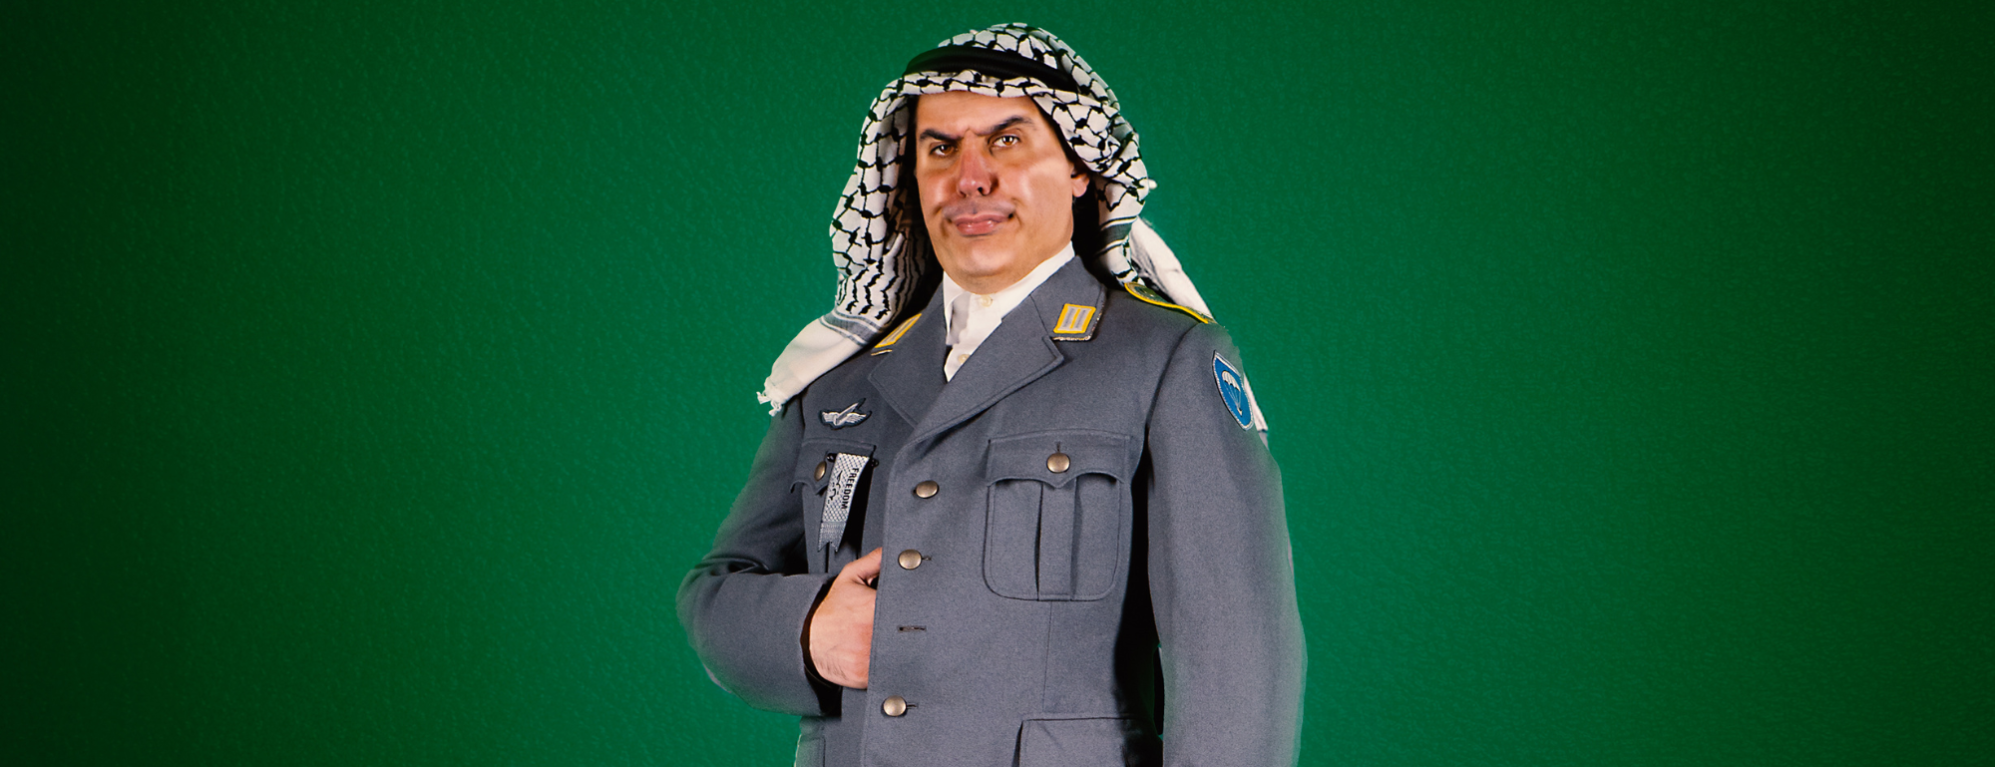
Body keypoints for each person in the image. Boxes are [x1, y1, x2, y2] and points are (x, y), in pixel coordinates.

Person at [678, 23, 1303, 766]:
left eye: (1006, 141)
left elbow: (1236, 657)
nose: (970, 177)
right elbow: (717, 590)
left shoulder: (1163, 358)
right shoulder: (840, 379)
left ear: (1080, 168)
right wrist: (808, 628)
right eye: (940, 149)